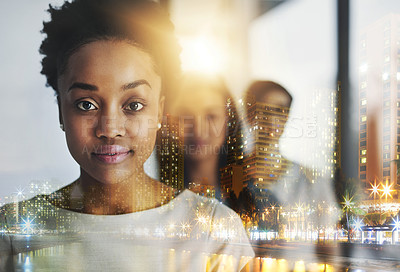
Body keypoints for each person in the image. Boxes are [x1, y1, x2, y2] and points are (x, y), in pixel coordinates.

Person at [0, 1, 254, 271]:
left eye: (133, 105)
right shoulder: (13, 232)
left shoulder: (214, 232)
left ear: (159, 112)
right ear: (62, 112)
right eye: (86, 104)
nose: (110, 130)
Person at [169, 73, 241, 199]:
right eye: (185, 117)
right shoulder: (151, 202)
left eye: (211, 116)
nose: (198, 130)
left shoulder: (259, 202)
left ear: (229, 122)